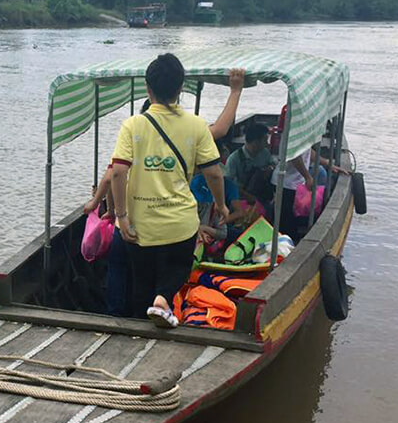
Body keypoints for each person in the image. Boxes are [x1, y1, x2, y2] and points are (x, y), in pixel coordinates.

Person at [110, 53, 228, 328]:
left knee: (141, 281)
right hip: (179, 225)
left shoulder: (133, 124)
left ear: (148, 90)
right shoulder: (197, 125)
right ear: (180, 90)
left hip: (140, 225)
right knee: (176, 269)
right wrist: (221, 205)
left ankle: (142, 324)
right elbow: (213, 172)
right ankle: (164, 298)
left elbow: (117, 172)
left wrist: (121, 216)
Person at [225, 122, 276, 204]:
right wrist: (248, 196)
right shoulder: (234, 159)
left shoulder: (265, 153)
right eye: (265, 140)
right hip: (241, 199)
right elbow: (229, 184)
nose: (267, 143)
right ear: (256, 142)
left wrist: (270, 168)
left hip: (262, 195)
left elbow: (273, 163)